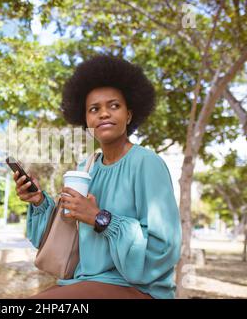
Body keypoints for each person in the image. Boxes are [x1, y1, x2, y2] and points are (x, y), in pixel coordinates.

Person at [13, 55, 182, 299]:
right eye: (94, 109)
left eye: (114, 106)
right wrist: (39, 201)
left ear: (129, 115)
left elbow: (164, 246)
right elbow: (65, 234)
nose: (104, 114)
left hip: (137, 288)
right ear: (86, 121)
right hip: (85, 280)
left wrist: (99, 218)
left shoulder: (147, 163)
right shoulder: (86, 166)